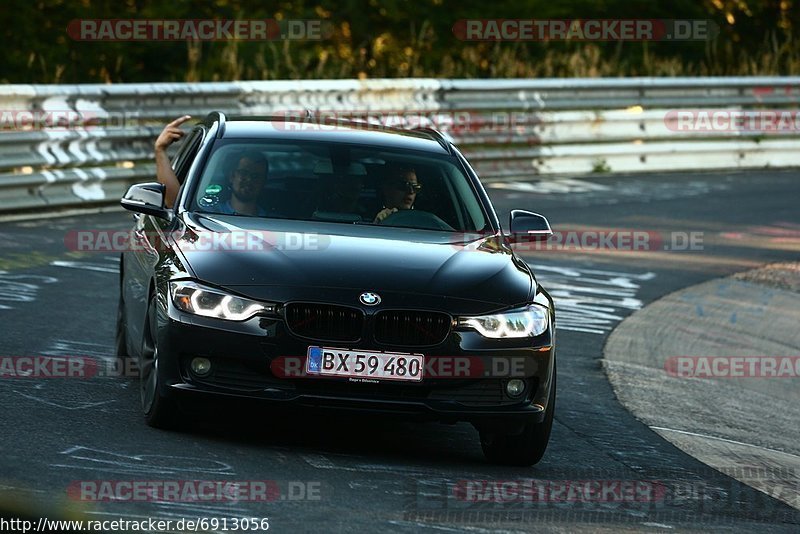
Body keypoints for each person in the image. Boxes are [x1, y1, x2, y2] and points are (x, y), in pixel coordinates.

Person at [155, 116, 268, 216]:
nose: (249, 179)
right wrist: (160, 150)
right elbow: (174, 204)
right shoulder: (204, 213)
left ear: (264, 182)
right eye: (244, 173)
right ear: (232, 177)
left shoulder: (273, 220)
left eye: (256, 176)